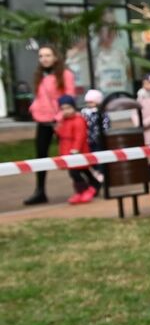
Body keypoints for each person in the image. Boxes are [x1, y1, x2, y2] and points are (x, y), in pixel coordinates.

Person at [23, 46, 76, 205]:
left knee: (71, 153)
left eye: (47, 55)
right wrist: (33, 109)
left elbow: (69, 97)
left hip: (61, 120)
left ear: (55, 57)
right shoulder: (40, 75)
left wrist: (59, 117)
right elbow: (39, 97)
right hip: (43, 121)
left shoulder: (66, 75)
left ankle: (91, 181)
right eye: (41, 56)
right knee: (40, 155)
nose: (44, 59)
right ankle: (40, 191)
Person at [56, 95, 98, 204]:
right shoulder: (64, 121)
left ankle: (85, 189)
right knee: (82, 170)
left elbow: (80, 136)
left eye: (68, 108)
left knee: (74, 172)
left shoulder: (78, 120)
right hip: (67, 149)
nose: (66, 111)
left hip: (76, 151)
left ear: (74, 107)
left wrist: (75, 149)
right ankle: (89, 187)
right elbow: (61, 134)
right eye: (63, 109)